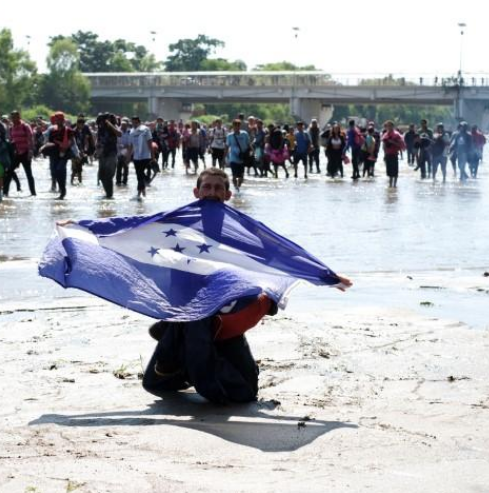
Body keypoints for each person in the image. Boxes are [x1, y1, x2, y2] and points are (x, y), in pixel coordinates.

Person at [141, 168, 352, 404]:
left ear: (228, 194)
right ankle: (182, 344)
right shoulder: (178, 229)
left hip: (227, 318)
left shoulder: (241, 231)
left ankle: (178, 344)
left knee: (245, 392)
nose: (212, 192)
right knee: (155, 383)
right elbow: (136, 235)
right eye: (207, 187)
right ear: (196, 192)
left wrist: (325, 275)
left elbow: (280, 255)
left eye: (218, 188)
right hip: (191, 313)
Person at [41, 111, 73, 200]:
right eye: (57, 119)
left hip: (64, 154)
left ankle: (63, 191)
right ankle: (62, 189)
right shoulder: (52, 131)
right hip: (54, 154)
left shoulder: (68, 130)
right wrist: (43, 147)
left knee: (60, 169)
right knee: (55, 172)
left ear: (63, 120)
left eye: (60, 119)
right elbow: (50, 142)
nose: (58, 121)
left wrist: (65, 146)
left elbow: (71, 142)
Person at [4, 110, 36, 196]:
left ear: (19, 117)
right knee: (9, 172)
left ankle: (33, 193)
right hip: (17, 154)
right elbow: (11, 140)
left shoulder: (25, 126)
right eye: (12, 117)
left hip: (26, 153)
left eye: (15, 117)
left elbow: (31, 138)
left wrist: (30, 151)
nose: (14, 119)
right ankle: (5, 193)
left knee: (28, 174)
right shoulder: (12, 128)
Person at [95, 113, 120, 199]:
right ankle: (108, 194)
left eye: (102, 121)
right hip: (102, 154)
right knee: (101, 176)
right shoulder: (100, 129)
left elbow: (119, 133)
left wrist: (110, 124)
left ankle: (109, 195)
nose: (101, 123)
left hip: (111, 154)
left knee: (109, 175)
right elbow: (98, 140)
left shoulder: (113, 126)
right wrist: (96, 150)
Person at [127, 116, 153, 199]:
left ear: (139, 122)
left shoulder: (146, 130)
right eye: (132, 122)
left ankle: (139, 193)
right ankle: (142, 189)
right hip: (136, 157)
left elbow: (150, 142)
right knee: (139, 175)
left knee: (140, 174)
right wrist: (128, 157)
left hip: (145, 156)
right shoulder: (131, 132)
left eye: (135, 122)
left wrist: (153, 156)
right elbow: (131, 146)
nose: (134, 124)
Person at [225, 119, 250, 191]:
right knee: (234, 175)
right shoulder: (230, 136)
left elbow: (248, 144)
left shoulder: (244, 134)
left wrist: (252, 153)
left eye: (238, 125)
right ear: (233, 126)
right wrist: (225, 157)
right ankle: (236, 188)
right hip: (233, 158)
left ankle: (238, 187)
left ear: (240, 126)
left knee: (241, 177)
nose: (237, 127)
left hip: (242, 158)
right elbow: (227, 147)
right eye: (235, 125)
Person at [381, 121, 406, 188]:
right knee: (389, 172)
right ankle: (390, 185)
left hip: (394, 154)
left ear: (392, 126)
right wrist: (384, 154)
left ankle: (394, 185)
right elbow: (384, 145)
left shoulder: (396, 135)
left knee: (395, 171)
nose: (388, 127)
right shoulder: (385, 134)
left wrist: (393, 142)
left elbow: (402, 145)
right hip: (387, 155)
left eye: (389, 126)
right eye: (387, 126)